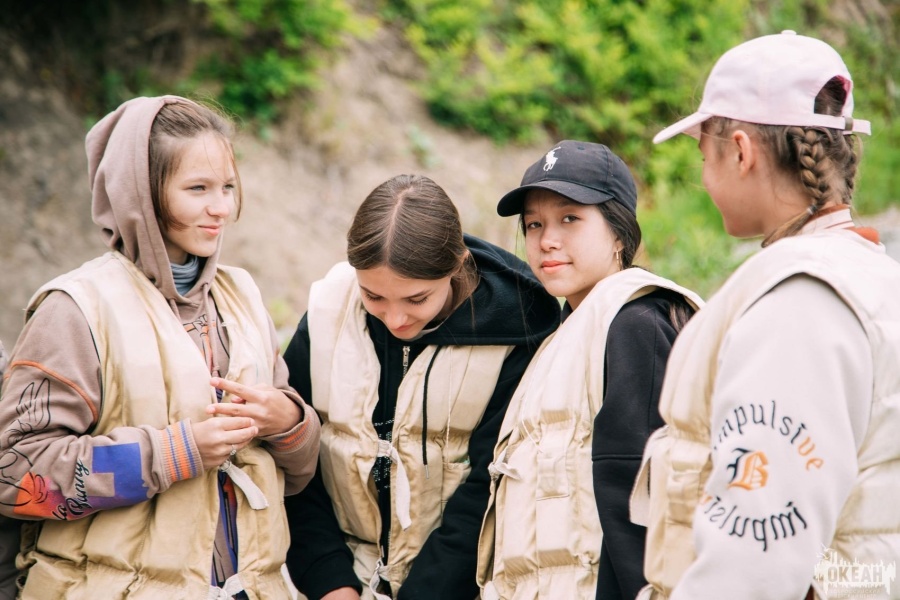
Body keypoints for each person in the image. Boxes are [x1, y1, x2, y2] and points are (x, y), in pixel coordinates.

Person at [0, 95, 320, 599]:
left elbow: (298, 477)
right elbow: (14, 476)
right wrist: (174, 453)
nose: (222, 207)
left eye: (228, 187)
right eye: (198, 189)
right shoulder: (76, 309)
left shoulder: (242, 296)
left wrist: (289, 422)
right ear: (141, 194)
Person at [634, 31, 900, 600]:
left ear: (740, 151)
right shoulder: (871, 274)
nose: (704, 176)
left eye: (703, 156)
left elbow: (756, 561)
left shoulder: (798, 302)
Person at [282, 174, 561, 600]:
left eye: (417, 300)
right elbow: (298, 464)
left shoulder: (519, 333)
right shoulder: (328, 312)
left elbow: (487, 491)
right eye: (373, 297)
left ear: (457, 264)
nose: (396, 320)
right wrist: (330, 582)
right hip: (339, 580)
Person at [474, 141, 703, 600]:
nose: (547, 240)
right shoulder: (568, 332)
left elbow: (639, 502)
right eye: (534, 224)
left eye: (570, 219)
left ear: (619, 234)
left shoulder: (634, 324)